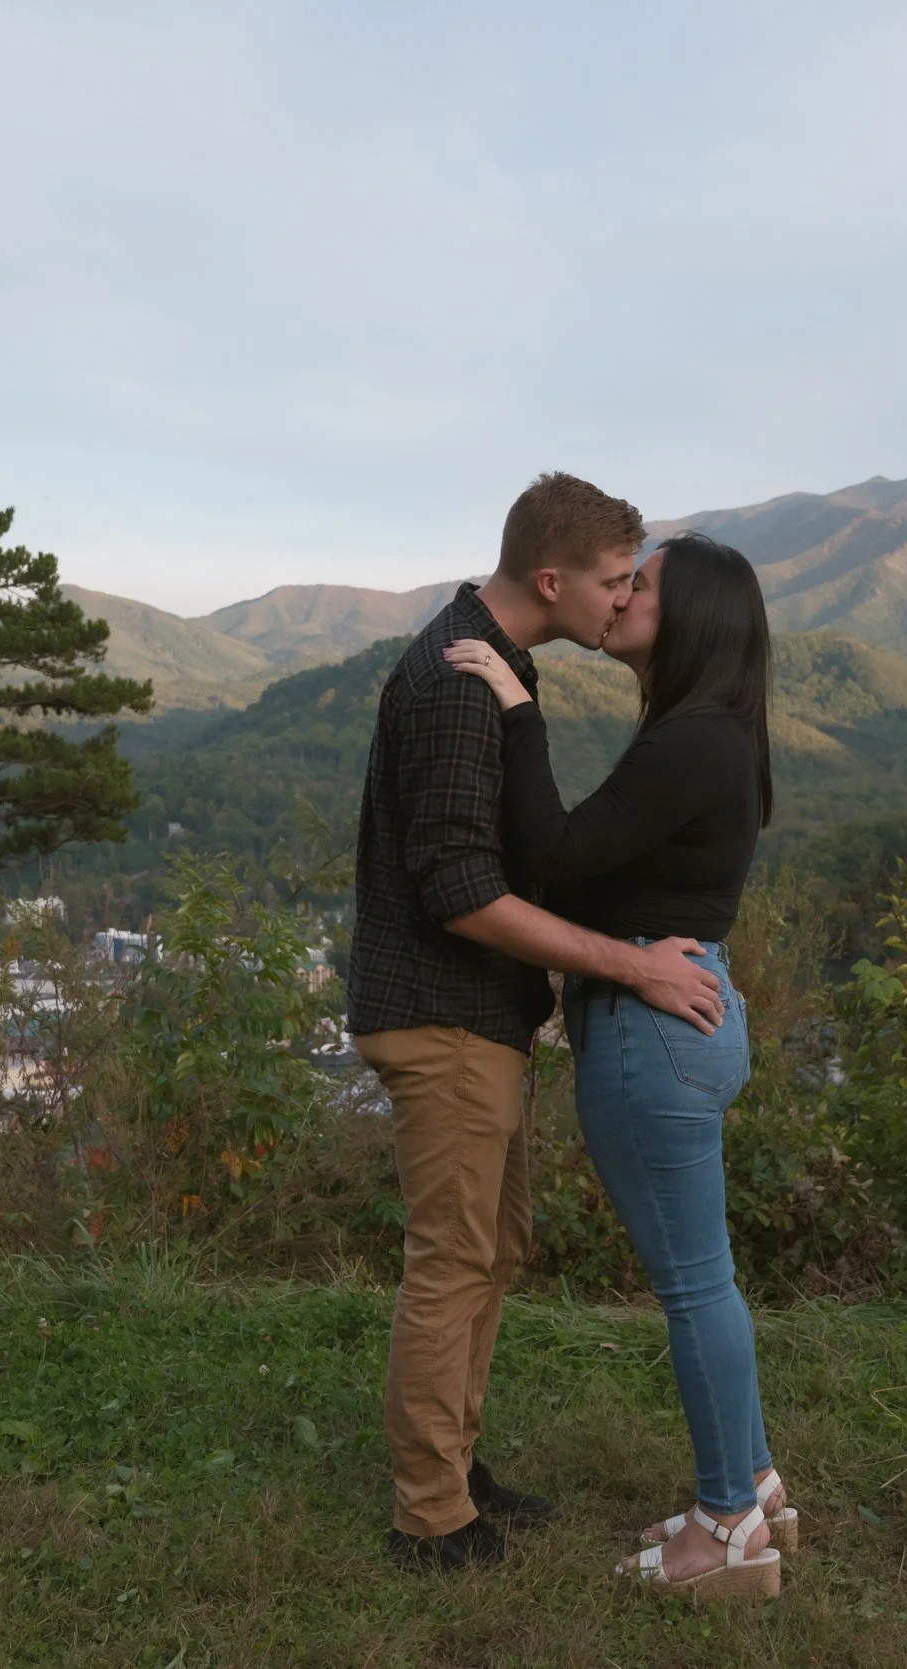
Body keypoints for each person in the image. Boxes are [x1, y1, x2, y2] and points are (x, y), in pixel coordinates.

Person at [346, 472, 728, 1572]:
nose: (622, 603)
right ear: (552, 579)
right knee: (454, 1259)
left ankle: (455, 1467)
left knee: (490, 1249)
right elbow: (462, 891)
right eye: (613, 582)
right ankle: (430, 1516)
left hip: (477, 1018)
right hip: (440, 1016)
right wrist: (631, 967)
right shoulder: (460, 681)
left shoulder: (492, 660)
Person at [441, 532, 791, 1603]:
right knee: (708, 1281)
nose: (624, 594)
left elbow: (552, 859)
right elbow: (599, 879)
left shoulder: (691, 742)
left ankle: (726, 1520)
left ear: (692, 619)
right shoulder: (710, 733)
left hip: (652, 1034)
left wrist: (515, 705)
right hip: (680, 1016)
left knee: (693, 1290)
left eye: (644, 584)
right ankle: (755, 1484)